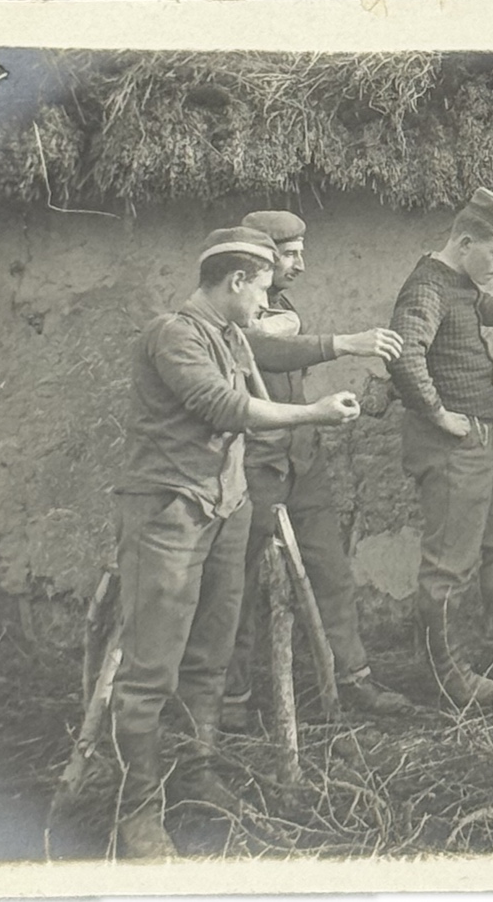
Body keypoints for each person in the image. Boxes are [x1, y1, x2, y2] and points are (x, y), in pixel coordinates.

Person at [109, 227, 361, 858]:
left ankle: (197, 774)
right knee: (150, 668)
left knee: (210, 656)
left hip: (227, 506)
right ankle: (137, 813)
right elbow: (223, 407)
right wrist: (313, 413)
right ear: (237, 281)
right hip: (170, 511)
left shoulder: (230, 336)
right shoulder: (175, 334)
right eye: (262, 291)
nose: (264, 305)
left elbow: (263, 383)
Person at [220, 210, 412, 731]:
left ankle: (353, 676)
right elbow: (261, 348)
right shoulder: (229, 312)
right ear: (256, 258)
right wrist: (344, 342)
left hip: (301, 461)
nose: (301, 264)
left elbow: (282, 339)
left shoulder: (279, 306)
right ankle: (230, 699)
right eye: (290, 254)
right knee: (233, 585)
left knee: (330, 571)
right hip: (252, 466)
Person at [389, 188, 493, 705]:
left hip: (481, 441)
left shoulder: (458, 282)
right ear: (465, 242)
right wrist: (439, 414)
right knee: (450, 564)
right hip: (451, 445)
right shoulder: (425, 288)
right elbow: (403, 355)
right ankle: (447, 673)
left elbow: (478, 303)